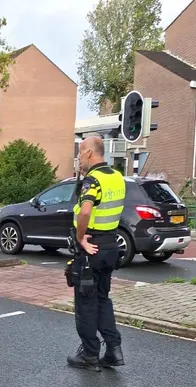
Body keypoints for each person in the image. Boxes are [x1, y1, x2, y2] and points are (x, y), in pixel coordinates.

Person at [68, 136, 125, 371]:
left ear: (90, 153)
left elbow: (86, 211)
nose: (79, 157)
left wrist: (81, 238)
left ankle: (90, 354)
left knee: (85, 303)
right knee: (102, 300)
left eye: (81, 153)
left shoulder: (93, 180)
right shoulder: (118, 177)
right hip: (111, 246)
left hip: (91, 248)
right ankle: (113, 349)